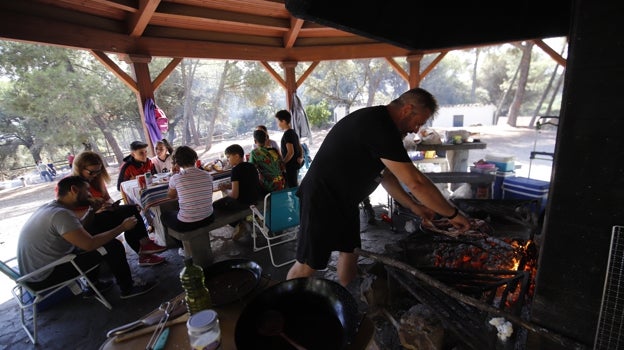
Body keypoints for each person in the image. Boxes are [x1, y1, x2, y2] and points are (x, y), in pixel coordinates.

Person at [286, 88, 471, 287]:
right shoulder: (378, 124)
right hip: (322, 198)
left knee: (350, 250)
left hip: (345, 200)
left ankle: (348, 295)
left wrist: (413, 206)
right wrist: (452, 214)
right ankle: (285, 307)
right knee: (308, 263)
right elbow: (415, 182)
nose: (416, 130)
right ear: (407, 109)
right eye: (418, 122)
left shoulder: (383, 125)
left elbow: (387, 176)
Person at [17, 176, 158, 299]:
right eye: (87, 191)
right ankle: (128, 288)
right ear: (74, 190)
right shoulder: (61, 215)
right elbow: (89, 244)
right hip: (45, 276)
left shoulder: (52, 208)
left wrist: (92, 210)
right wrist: (122, 227)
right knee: (113, 246)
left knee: (101, 240)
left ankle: (94, 285)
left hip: (34, 274)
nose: (90, 194)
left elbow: (80, 230)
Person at [70, 151, 166, 267]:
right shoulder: (69, 185)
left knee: (131, 213)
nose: (95, 174)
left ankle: (145, 251)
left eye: (98, 171)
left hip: (101, 216)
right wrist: (95, 210)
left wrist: (111, 205)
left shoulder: (97, 180)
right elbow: (70, 215)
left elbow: (107, 199)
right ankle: (145, 251)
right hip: (86, 224)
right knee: (129, 213)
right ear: (80, 168)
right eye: (91, 172)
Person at [161, 146, 215, 237]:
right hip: (209, 217)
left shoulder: (176, 178)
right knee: (180, 211)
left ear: (177, 163)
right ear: (194, 158)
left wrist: (174, 175)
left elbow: (171, 196)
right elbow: (209, 192)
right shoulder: (207, 175)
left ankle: (181, 247)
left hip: (187, 224)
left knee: (164, 216)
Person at [213, 144, 261, 240]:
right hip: (254, 199)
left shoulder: (236, 170)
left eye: (228, 157)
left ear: (236, 156)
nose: (228, 159)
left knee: (216, 205)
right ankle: (246, 220)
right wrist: (228, 185)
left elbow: (234, 195)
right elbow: (244, 182)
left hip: (243, 203)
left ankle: (238, 223)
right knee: (225, 201)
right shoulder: (251, 166)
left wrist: (225, 190)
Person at [249, 129, 286, 194]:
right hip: (281, 182)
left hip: (268, 185)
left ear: (255, 141)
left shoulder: (254, 153)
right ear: (266, 139)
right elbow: (282, 166)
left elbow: (251, 169)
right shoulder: (274, 150)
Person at [275, 110, 304, 188]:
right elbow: (300, 147)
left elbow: (290, 152)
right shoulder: (293, 132)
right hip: (295, 165)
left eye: (278, 122)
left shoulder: (287, 134)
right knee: (294, 184)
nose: (278, 124)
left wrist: (282, 163)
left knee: (292, 186)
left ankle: (296, 200)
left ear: (283, 121)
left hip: (291, 166)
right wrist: (301, 157)